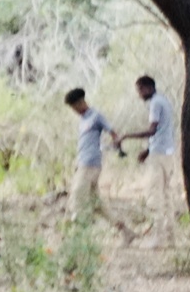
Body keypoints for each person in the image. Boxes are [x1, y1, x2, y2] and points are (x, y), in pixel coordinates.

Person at [116, 74, 180, 242]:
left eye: (140, 90)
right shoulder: (164, 101)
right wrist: (147, 150)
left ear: (148, 88)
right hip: (167, 152)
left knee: (155, 195)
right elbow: (161, 132)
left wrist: (127, 136)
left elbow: (152, 130)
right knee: (166, 194)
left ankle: (158, 237)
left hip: (159, 154)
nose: (139, 94)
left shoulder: (155, 103)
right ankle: (171, 237)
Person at [64, 87, 127, 232]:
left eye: (75, 107)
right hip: (83, 163)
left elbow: (113, 132)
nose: (75, 110)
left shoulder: (96, 116)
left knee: (78, 200)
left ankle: (79, 236)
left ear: (81, 102)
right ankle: (125, 232)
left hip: (90, 164)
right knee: (96, 203)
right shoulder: (82, 120)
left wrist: (118, 147)